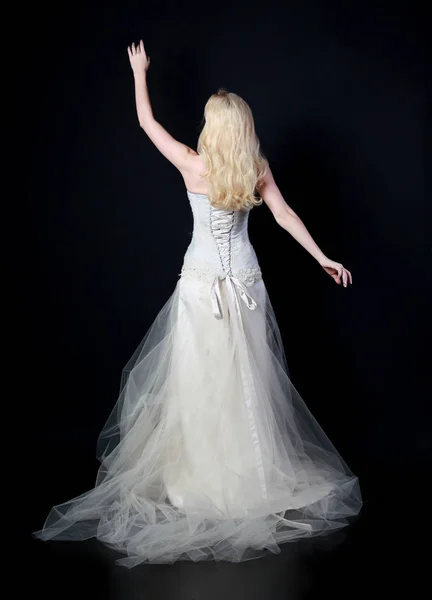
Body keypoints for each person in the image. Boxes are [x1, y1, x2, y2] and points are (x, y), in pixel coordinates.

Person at [33, 40, 362, 567]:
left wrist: (139, 74)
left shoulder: (192, 163)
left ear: (213, 128)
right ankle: (249, 475)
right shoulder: (254, 166)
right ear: (245, 129)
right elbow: (284, 216)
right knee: (247, 383)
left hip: (202, 283)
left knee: (203, 383)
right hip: (245, 284)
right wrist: (321, 255)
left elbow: (146, 123)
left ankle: (207, 478)